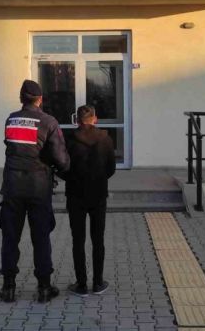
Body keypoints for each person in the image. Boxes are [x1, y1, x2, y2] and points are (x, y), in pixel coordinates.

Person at [0, 80, 70, 303]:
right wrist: (66, 169)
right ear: (40, 99)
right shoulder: (48, 122)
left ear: (21, 99)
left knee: (10, 237)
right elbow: (60, 158)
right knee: (41, 238)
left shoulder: (11, 119)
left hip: (12, 186)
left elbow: (11, 145)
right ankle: (44, 287)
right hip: (38, 187)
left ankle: (8, 287)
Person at [60, 105, 116, 297]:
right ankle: (98, 282)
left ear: (77, 120)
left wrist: (72, 179)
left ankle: (81, 284)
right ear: (95, 119)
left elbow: (63, 166)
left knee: (78, 240)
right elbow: (111, 168)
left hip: (75, 195)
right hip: (98, 194)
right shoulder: (106, 139)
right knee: (98, 239)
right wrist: (98, 179)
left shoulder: (69, 139)